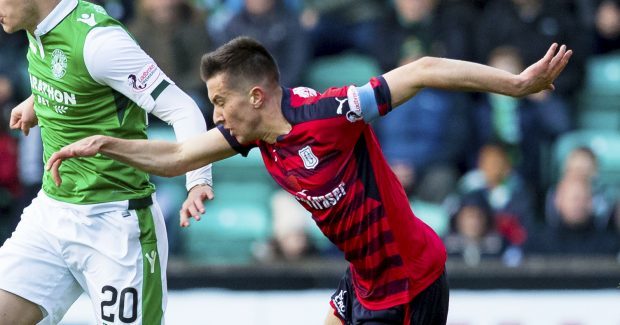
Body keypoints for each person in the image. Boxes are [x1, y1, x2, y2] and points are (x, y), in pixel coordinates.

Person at [47, 37, 572, 324]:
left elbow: (423, 68)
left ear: (255, 97)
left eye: (220, 102)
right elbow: (179, 154)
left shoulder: (329, 113)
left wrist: (517, 84)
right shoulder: (251, 134)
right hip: (364, 277)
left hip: (408, 281)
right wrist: (107, 144)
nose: (216, 115)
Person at [0, 0, 214, 324]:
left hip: (116, 223)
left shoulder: (99, 42)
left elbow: (183, 109)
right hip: (52, 213)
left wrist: (199, 179)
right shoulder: (38, 27)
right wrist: (37, 101)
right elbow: (73, 76)